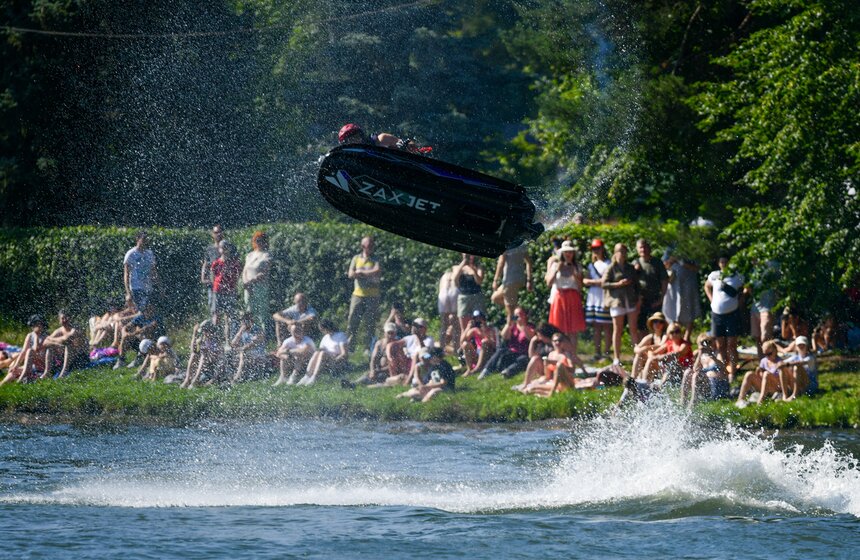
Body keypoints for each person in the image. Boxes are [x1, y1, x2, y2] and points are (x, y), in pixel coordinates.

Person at [704, 255, 744, 382]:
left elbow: (745, 289)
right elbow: (707, 286)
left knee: (732, 344)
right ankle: (723, 371)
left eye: (725, 261)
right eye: (721, 261)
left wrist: (740, 302)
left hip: (732, 313)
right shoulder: (714, 275)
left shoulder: (736, 276)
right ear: (719, 263)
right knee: (720, 345)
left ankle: (732, 371)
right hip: (717, 314)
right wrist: (711, 300)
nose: (723, 264)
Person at [602, 243, 640, 365]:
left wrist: (639, 297)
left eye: (624, 251)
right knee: (617, 330)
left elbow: (636, 284)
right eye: (619, 251)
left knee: (633, 329)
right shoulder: (611, 267)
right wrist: (618, 284)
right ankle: (616, 357)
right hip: (617, 301)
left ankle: (636, 356)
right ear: (615, 252)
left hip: (630, 300)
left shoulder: (630, 267)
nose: (622, 253)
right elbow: (604, 284)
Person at [546, 240, 586, 355]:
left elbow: (580, 286)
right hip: (559, 297)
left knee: (573, 330)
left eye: (570, 252)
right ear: (562, 253)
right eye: (566, 252)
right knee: (559, 329)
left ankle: (572, 355)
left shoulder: (577, 266)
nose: (568, 254)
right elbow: (549, 283)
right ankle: (560, 354)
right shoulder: (555, 264)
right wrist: (556, 270)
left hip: (572, 297)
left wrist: (575, 275)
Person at [521, 333, 588, 397]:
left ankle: (552, 392)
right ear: (552, 342)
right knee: (531, 388)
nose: (557, 343)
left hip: (566, 382)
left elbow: (572, 370)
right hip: (554, 382)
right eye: (555, 341)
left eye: (560, 341)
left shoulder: (567, 354)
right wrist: (546, 365)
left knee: (559, 365)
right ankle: (552, 391)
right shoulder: (551, 354)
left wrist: (556, 363)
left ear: (563, 343)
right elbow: (548, 376)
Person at [346, 236, 381, 353]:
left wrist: (361, 273)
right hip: (358, 294)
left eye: (372, 245)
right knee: (352, 320)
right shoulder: (356, 258)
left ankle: (368, 347)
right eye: (369, 245)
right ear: (363, 247)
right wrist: (363, 274)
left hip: (372, 295)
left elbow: (377, 270)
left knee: (370, 322)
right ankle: (350, 346)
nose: (372, 247)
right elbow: (350, 274)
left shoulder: (376, 259)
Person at [479, 307, 535, 379]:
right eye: (516, 315)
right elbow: (504, 336)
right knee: (500, 351)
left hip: (523, 353)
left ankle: (508, 372)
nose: (517, 317)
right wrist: (508, 325)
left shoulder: (530, 326)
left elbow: (530, 337)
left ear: (525, 315)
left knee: (522, 359)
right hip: (512, 352)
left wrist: (523, 325)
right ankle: (486, 370)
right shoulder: (513, 326)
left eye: (520, 314)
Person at [735, 340, 791, 407]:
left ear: (775, 350)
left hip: (776, 388)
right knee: (749, 374)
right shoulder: (763, 361)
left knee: (766, 374)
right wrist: (758, 371)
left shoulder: (780, 362)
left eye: (769, 354)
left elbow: (782, 380)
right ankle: (740, 400)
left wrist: (767, 374)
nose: (767, 356)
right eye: (765, 354)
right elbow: (759, 376)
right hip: (765, 387)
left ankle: (760, 401)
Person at [681, 333, 729, 409]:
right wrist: (700, 355)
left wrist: (712, 357)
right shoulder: (700, 356)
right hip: (706, 386)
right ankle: (683, 401)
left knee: (696, 375)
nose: (706, 345)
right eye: (702, 343)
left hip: (717, 385)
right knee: (688, 372)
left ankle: (693, 403)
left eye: (708, 342)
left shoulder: (717, 353)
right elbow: (695, 369)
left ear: (712, 342)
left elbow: (724, 370)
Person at [661, 252, 701, 341]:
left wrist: (680, 261)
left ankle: (686, 339)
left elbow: (697, 268)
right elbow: (663, 266)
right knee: (671, 311)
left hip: (688, 287)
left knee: (689, 311)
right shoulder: (670, 249)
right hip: (673, 287)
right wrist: (670, 261)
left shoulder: (691, 249)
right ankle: (673, 337)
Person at [583, 238, 612, 360]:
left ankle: (606, 352)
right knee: (596, 326)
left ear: (602, 249)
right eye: (594, 249)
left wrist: (593, 282)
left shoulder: (609, 263)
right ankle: (597, 352)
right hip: (593, 297)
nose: (596, 251)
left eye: (598, 248)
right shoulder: (591, 265)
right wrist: (596, 282)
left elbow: (607, 281)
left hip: (604, 296)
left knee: (606, 325)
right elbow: (585, 280)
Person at [0, 315, 49, 386]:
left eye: (35, 324)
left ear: (41, 324)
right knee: (13, 371)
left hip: (42, 366)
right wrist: (16, 365)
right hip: (32, 366)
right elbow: (23, 352)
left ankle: (20, 380)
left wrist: (36, 336)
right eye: (33, 325)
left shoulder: (47, 336)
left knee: (30, 351)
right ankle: (2, 385)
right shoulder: (30, 335)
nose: (33, 327)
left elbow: (36, 349)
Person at [491, 243, 534, 323]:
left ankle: (512, 325)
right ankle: (518, 309)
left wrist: (495, 280)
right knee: (495, 297)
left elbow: (501, 262)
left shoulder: (506, 245)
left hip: (509, 280)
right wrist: (529, 279)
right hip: (518, 279)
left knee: (510, 313)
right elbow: (529, 262)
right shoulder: (521, 244)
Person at [242, 231, 272, 340]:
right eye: (256, 240)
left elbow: (264, 272)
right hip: (248, 287)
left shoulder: (267, 255)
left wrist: (251, 281)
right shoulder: (249, 255)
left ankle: (263, 337)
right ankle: (250, 336)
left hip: (260, 287)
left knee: (262, 313)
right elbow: (245, 270)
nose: (258, 242)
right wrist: (245, 282)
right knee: (249, 311)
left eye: (261, 240)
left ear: (265, 242)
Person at [512, 322, 559, 392]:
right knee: (535, 358)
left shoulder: (557, 342)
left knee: (537, 359)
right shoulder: (542, 343)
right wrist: (532, 341)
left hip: (556, 370)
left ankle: (528, 384)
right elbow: (531, 356)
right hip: (545, 369)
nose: (539, 338)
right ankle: (525, 383)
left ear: (545, 334)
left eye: (540, 335)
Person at [633, 239, 668, 333]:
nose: (643, 249)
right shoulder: (635, 263)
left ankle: (657, 345)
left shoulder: (657, 263)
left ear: (649, 248)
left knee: (657, 325)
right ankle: (644, 345)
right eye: (640, 247)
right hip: (640, 300)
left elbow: (664, 281)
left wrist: (661, 298)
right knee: (641, 326)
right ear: (637, 249)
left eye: (645, 247)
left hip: (655, 299)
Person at [300, 319, 349, 386]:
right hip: (325, 360)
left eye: (322, 330)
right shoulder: (325, 337)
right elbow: (320, 350)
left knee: (323, 354)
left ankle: (315, 377)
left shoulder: (340, 335)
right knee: (317, 353)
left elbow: (344, 354)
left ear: (327, 328)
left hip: (337, 361)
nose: (321, 331)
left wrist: (335, 360)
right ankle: (307, 375)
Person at [745, 260, 779, 356]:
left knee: (766, 337)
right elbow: (749, 289)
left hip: (767, 307)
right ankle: (763, 362)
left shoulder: (770, 269)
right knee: (758, 338)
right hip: (755, 308)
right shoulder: (752, 272)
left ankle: (771, 358)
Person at [211, 239, 242, 345]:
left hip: (229, 292)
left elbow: (237, 277)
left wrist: (234, 289)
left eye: (226, 247)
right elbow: (213, 278)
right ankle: (215, 340)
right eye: (222, 247)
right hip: (218, 291)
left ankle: (228, 342)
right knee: (216, 316)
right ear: (219, 249)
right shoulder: (216, 263)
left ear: (229, 249)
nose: (224, 249)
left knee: (228, 317)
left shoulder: (234, 263)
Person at [113, 304, 161, 370]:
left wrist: (131, 334)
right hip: (143, 341)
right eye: (145, 309)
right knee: (125, 337)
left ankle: (139, 358)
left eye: (148, 308)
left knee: (143, 334)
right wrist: (124, 333)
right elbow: (126, 326)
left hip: (154, 342)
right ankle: (121, 360)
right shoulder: (141, 317)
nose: (147, 311)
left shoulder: (157, 318)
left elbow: (146, 329)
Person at [42, 310, 88, 378]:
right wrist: (56, 343)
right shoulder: (58, 331)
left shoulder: (76, 329)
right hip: (65, 358)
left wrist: (51, 339)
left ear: (70, 318)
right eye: (62, 318)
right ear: (59, 320)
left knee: (68, 345)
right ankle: (47, 372)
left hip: (80, 358)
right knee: (49, 348)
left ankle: (64, 372)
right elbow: (45, 343)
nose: (65, 320)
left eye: (66, 317)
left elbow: (66, 339)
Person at [183, 320, 224, 388]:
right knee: (194, 355)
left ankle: (195, 381)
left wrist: (208, 353)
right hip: (203, 367)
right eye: (203, 331)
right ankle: (187, 379)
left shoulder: (216, 341)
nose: (204, 333)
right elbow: (192, 350)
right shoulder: (202, 339)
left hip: (212, 368)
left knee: (203, 356)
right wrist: (194, 334)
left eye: (206, 331)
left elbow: (218, 358)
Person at [123, 230, 157, 311]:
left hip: (148, 288)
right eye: (144, 238)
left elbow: (154, 272)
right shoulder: (131, 254)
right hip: (136, 287)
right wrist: (128, 292)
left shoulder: (149, 254)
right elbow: (126, 274)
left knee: (147, 311)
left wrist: (159, 287)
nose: (145, 241)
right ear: (137, 239)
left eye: (147, 239)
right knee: (138, 311)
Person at [273, 322, 315, 386]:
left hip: (308, 362)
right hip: (293, 362)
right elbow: (278, 353)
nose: (297, 333)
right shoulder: (288, 341)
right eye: (295, 331)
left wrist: (288, 351)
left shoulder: (307, 340)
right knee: (283, 357)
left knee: (299, 356)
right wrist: (287, 355)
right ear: (290, 331)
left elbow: (302, 351)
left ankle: (293, 376)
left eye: (299, 330)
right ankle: (283, 377)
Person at [230, 312, 268, 383]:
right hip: (248, 354)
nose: (242, 322)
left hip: (259, 354)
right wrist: (240, 331)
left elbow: (251, 345)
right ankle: (228, 377)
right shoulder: (243, 332)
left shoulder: (257, 330)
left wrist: (240, 349)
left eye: (244, 320)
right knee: (229, 354)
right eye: (242, 321)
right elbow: (232, 344)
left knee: (242, 354)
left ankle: (237, 377)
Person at [453, 253, 486, 333]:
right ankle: (464, 343)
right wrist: (463, 263)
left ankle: (479, 342)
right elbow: (455, 281)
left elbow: (479, 281)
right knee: (464, 327)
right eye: (466, 254)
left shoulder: (479, 267)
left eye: (470, 254)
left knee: (479, 323)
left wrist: (473, 268)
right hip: (463, 298)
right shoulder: (457, 267)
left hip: (476, 296)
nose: (468, 256)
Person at [631, 312, 668, 379]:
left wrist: (646, 348)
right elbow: (636, 348)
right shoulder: (650, 337)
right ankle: (633, 378)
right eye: (655, 321)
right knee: (639, 355)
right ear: (652, 324)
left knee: (649, 357)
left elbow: (661, 345)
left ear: (664, 324)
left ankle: (643, 382)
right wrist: (641, 350)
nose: (657, 324)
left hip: (661, 362)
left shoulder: (665, 336)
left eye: (660, 322)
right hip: (651, 360)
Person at [460, 310, 497, 377]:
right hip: (477, 355)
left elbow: (494, 345)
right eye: (476, 319)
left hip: (489, 354)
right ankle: (469, 369)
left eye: (480, 318)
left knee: (484, 342)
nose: (478, 321)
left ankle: (478, 368)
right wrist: (468, 328)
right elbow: (462, 342)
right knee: (465, 344)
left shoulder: (491, 328)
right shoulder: (474, 330)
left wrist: (483, 332)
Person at [338, 123, 421, 153]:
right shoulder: (348, 159)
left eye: (356, 137)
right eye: (351, 140)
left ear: (362, 135)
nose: (355, 141)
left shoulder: (381, 139)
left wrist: (405, 146)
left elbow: (410, 143)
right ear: (345, 144)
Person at [780, 336, 817, 400]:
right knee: (782, 369)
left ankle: (795, 394)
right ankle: (785, 395)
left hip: (809, 386)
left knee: (797, 367)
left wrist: (786, 364)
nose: (801, 347)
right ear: (796, 347)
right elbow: (782, 363)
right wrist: (780, 364)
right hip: (801, 384)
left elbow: (800, 363)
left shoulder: (811, 358)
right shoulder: (795, 357)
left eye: (803, 345)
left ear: (807, 346)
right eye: (799, 345)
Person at [201, 224, 224, 318]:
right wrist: (202, 278)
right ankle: (215, 329)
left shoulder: (228, 246)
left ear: (222, 233)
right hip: (212, 282)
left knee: (226, 310)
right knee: (213, 307)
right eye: (215, 232)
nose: (218, 234)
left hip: (225, 282)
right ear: (212, 234)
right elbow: (205, 264)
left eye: (219, 232)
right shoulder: (209, 249)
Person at [437, 267, 460, 352]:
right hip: (454, 291)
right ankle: (456, 349)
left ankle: (441, 349)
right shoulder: (458, 272)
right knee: (456, 325)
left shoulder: (444, 276)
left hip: (443, 292)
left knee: (444, 324)